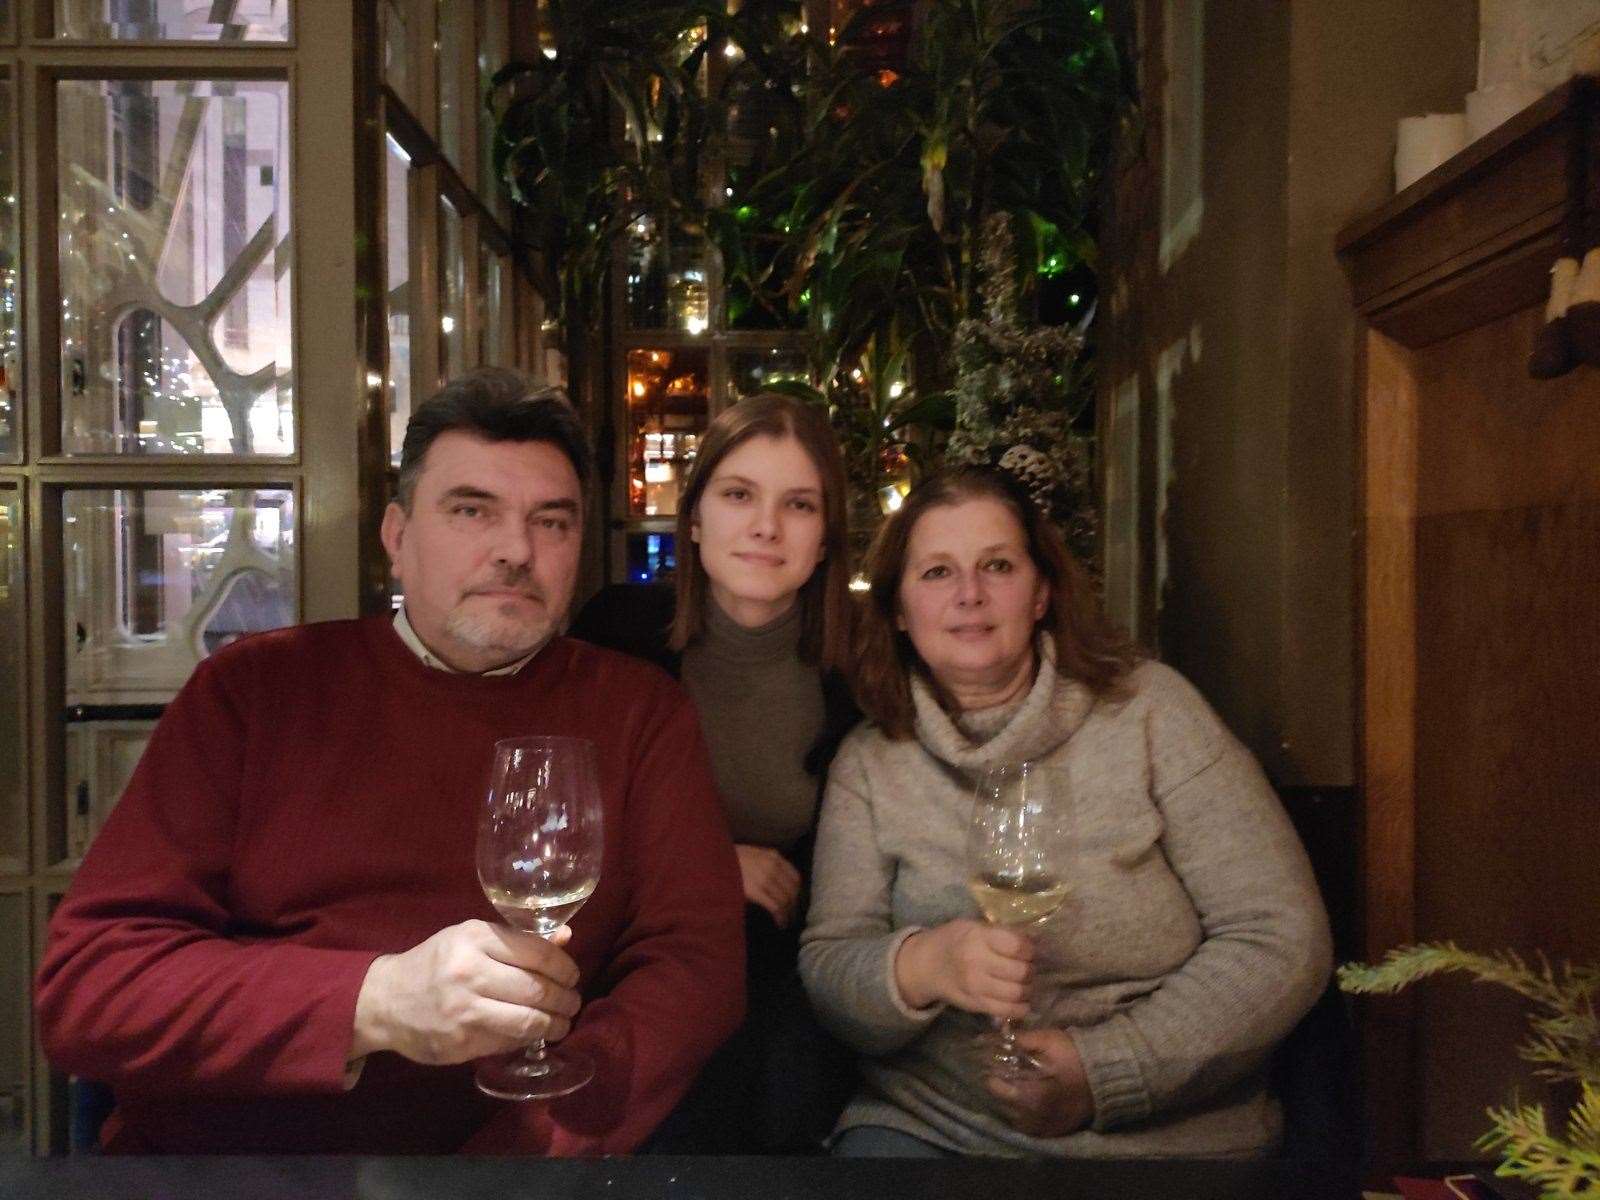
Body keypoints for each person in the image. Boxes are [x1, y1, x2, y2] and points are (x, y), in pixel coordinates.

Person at [34, 368, 746, 1155]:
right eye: (472, 510)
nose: (516, 550)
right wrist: (375, 1003)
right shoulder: (255, 691)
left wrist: (525, 1150)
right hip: (236, 1163)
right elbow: (89, 987)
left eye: (552, 522)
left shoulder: (637, 711)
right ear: (397, 538)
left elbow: (696, 969)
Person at [800, 465, 1332, 1158]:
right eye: (936, 572)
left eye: (997, 565)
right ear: (898, 607)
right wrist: (926, 964)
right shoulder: (871, 761)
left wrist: (1107, 1070)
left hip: (1167, 1142)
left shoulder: (1152, 712)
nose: (969, 594)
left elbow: (1282, 937)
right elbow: (830, 970)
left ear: (1043, 590)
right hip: (935, 1133)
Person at [569, 393, 857, 1152]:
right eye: (739, 495)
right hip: (624, 958)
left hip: (780, 977)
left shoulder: (862, 670)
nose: (766, 526)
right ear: (693, 519)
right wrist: (705, 866)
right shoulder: (615, 634)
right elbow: (553, 822)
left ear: (826, 538)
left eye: (799, 504)